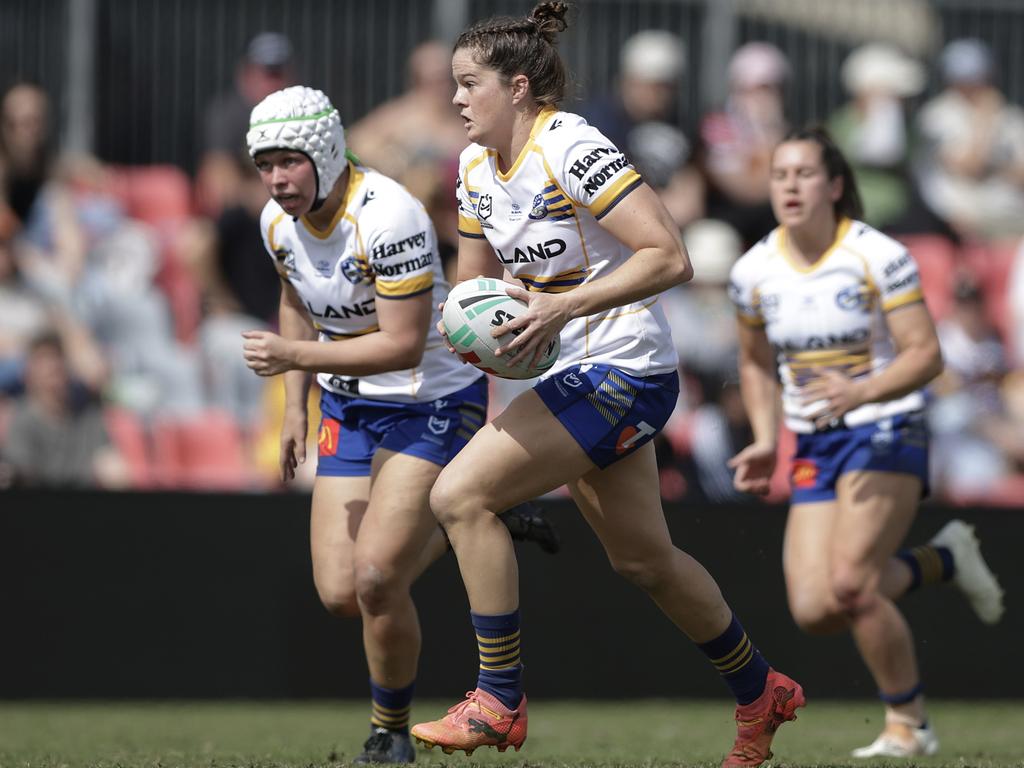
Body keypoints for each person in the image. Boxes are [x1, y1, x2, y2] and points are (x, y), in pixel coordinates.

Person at [411, 6, 804, 767]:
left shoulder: (571, 145)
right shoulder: (468, 168)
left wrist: (560, 305)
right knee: (644, 562)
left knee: (458, 497)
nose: (456, 99)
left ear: (518, 86)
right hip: (569, 377)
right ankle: (763, 693)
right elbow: (471, 293)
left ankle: (499, 699)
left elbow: (670, 257)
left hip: (623, 369)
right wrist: (474, 336)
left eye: (469, 84)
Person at [241, 85, 557, 764]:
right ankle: (470, 516)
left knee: (379, 577)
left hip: (430, 400)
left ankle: (389, 732)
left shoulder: (389, 215)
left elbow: (403, 344)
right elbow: (295, 297)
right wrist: (296, 404)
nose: (276, 178)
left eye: (289, 161)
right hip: (349, 405)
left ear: (324, 152)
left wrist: (294, 357)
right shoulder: (277, 220)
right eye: (264, 164)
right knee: (339, 593)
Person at [727, 126, 1006, 758]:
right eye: (779, 175)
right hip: (814, 440)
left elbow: (926, 356)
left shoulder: (876, 255)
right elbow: (752, 363)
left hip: (888, 425)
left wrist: (863, 391)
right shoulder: (753, 271)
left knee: (853, 585)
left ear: (834, 185)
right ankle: (944, 561)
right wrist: (768, 439)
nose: (790, 187)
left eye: (803, 174)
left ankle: (909, 724)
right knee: (816, 609)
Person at [914, 38, 1024, 240]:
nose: (975, 84)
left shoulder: (1008, 115)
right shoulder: (938, 115)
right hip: (962, 221)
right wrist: (985, 122)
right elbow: (970, 167)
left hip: (1009, 216)